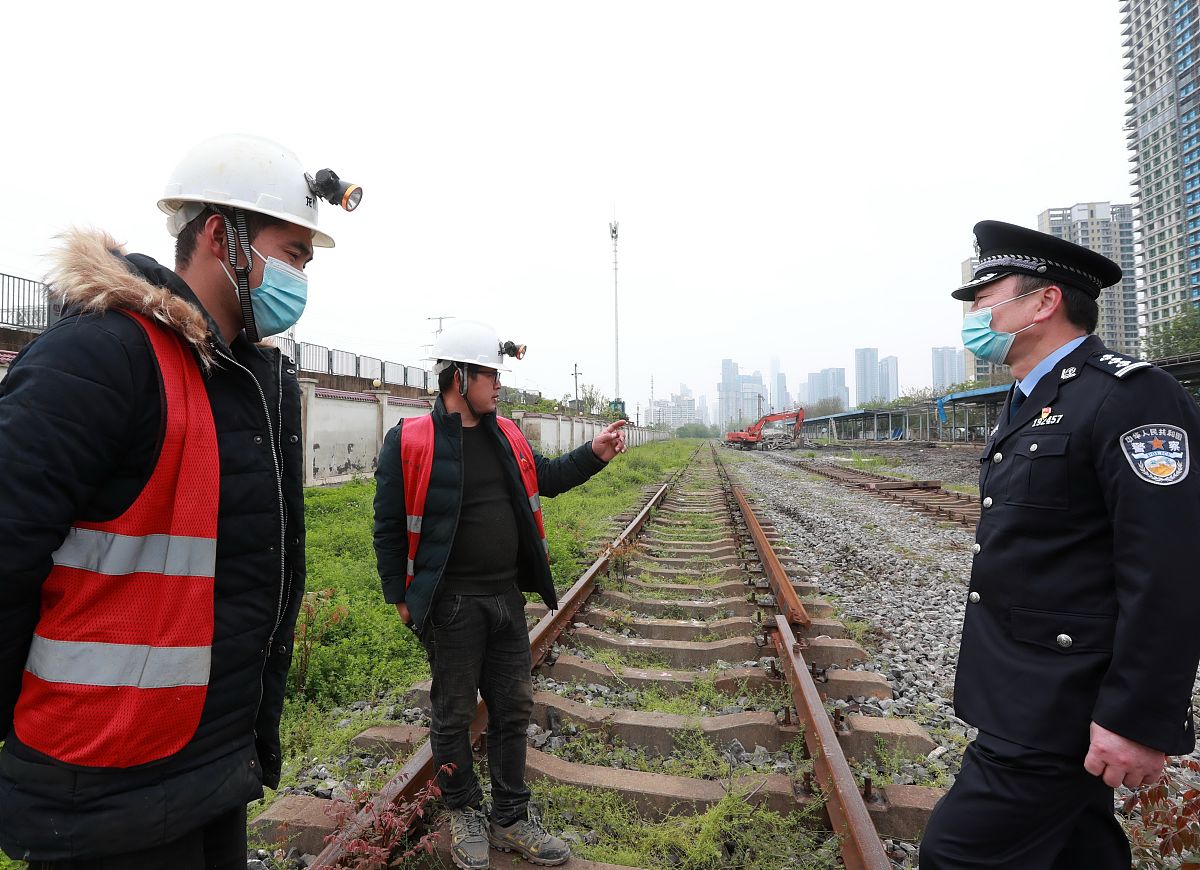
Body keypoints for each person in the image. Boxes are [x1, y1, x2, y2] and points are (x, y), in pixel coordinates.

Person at [0, 134, 360, 868]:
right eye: (290, 253)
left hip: (208, 766)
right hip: (101, 787)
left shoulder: (252, 383)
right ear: (218, 235)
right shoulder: (103, 357)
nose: (299, 276)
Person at [920, 220, 1200, 868]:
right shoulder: (1030, 400)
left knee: (954, 854)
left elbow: (1168, 568)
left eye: (987, 295)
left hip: (1063, 704)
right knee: (1080, 854)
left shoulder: (1128, 397)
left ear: (1043, 302)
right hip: (1024, 694)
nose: (975, 312)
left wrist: (1137, 718)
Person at [373, 319, 627, 870]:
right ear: (459, 377)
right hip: (452, 605)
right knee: (453, 713)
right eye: (490, 373)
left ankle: (510, 817)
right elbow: (388, 523)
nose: (498, 384)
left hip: (506, 599)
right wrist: (399, 595)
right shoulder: (411, 439)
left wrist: (595, 452)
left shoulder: (507, 432)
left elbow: (548, 478)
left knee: (513, 710)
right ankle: (464, 811)